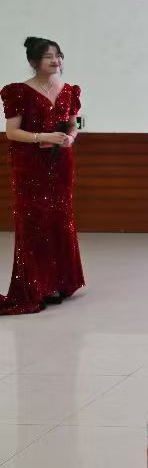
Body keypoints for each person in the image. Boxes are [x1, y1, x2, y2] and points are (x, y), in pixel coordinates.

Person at [0, 37, 85, 315]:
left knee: (60, 219)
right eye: (49, 57)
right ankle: (37, 286)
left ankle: (60, 282)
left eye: (58, 55)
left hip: (61, 163)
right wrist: (42, 137)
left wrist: (71, 137)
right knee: (34, 222)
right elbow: (12, 132)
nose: (56, 61)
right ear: (34, 61)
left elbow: (74, 124)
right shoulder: (18, 91)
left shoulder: (69, 90)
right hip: (30, 165)